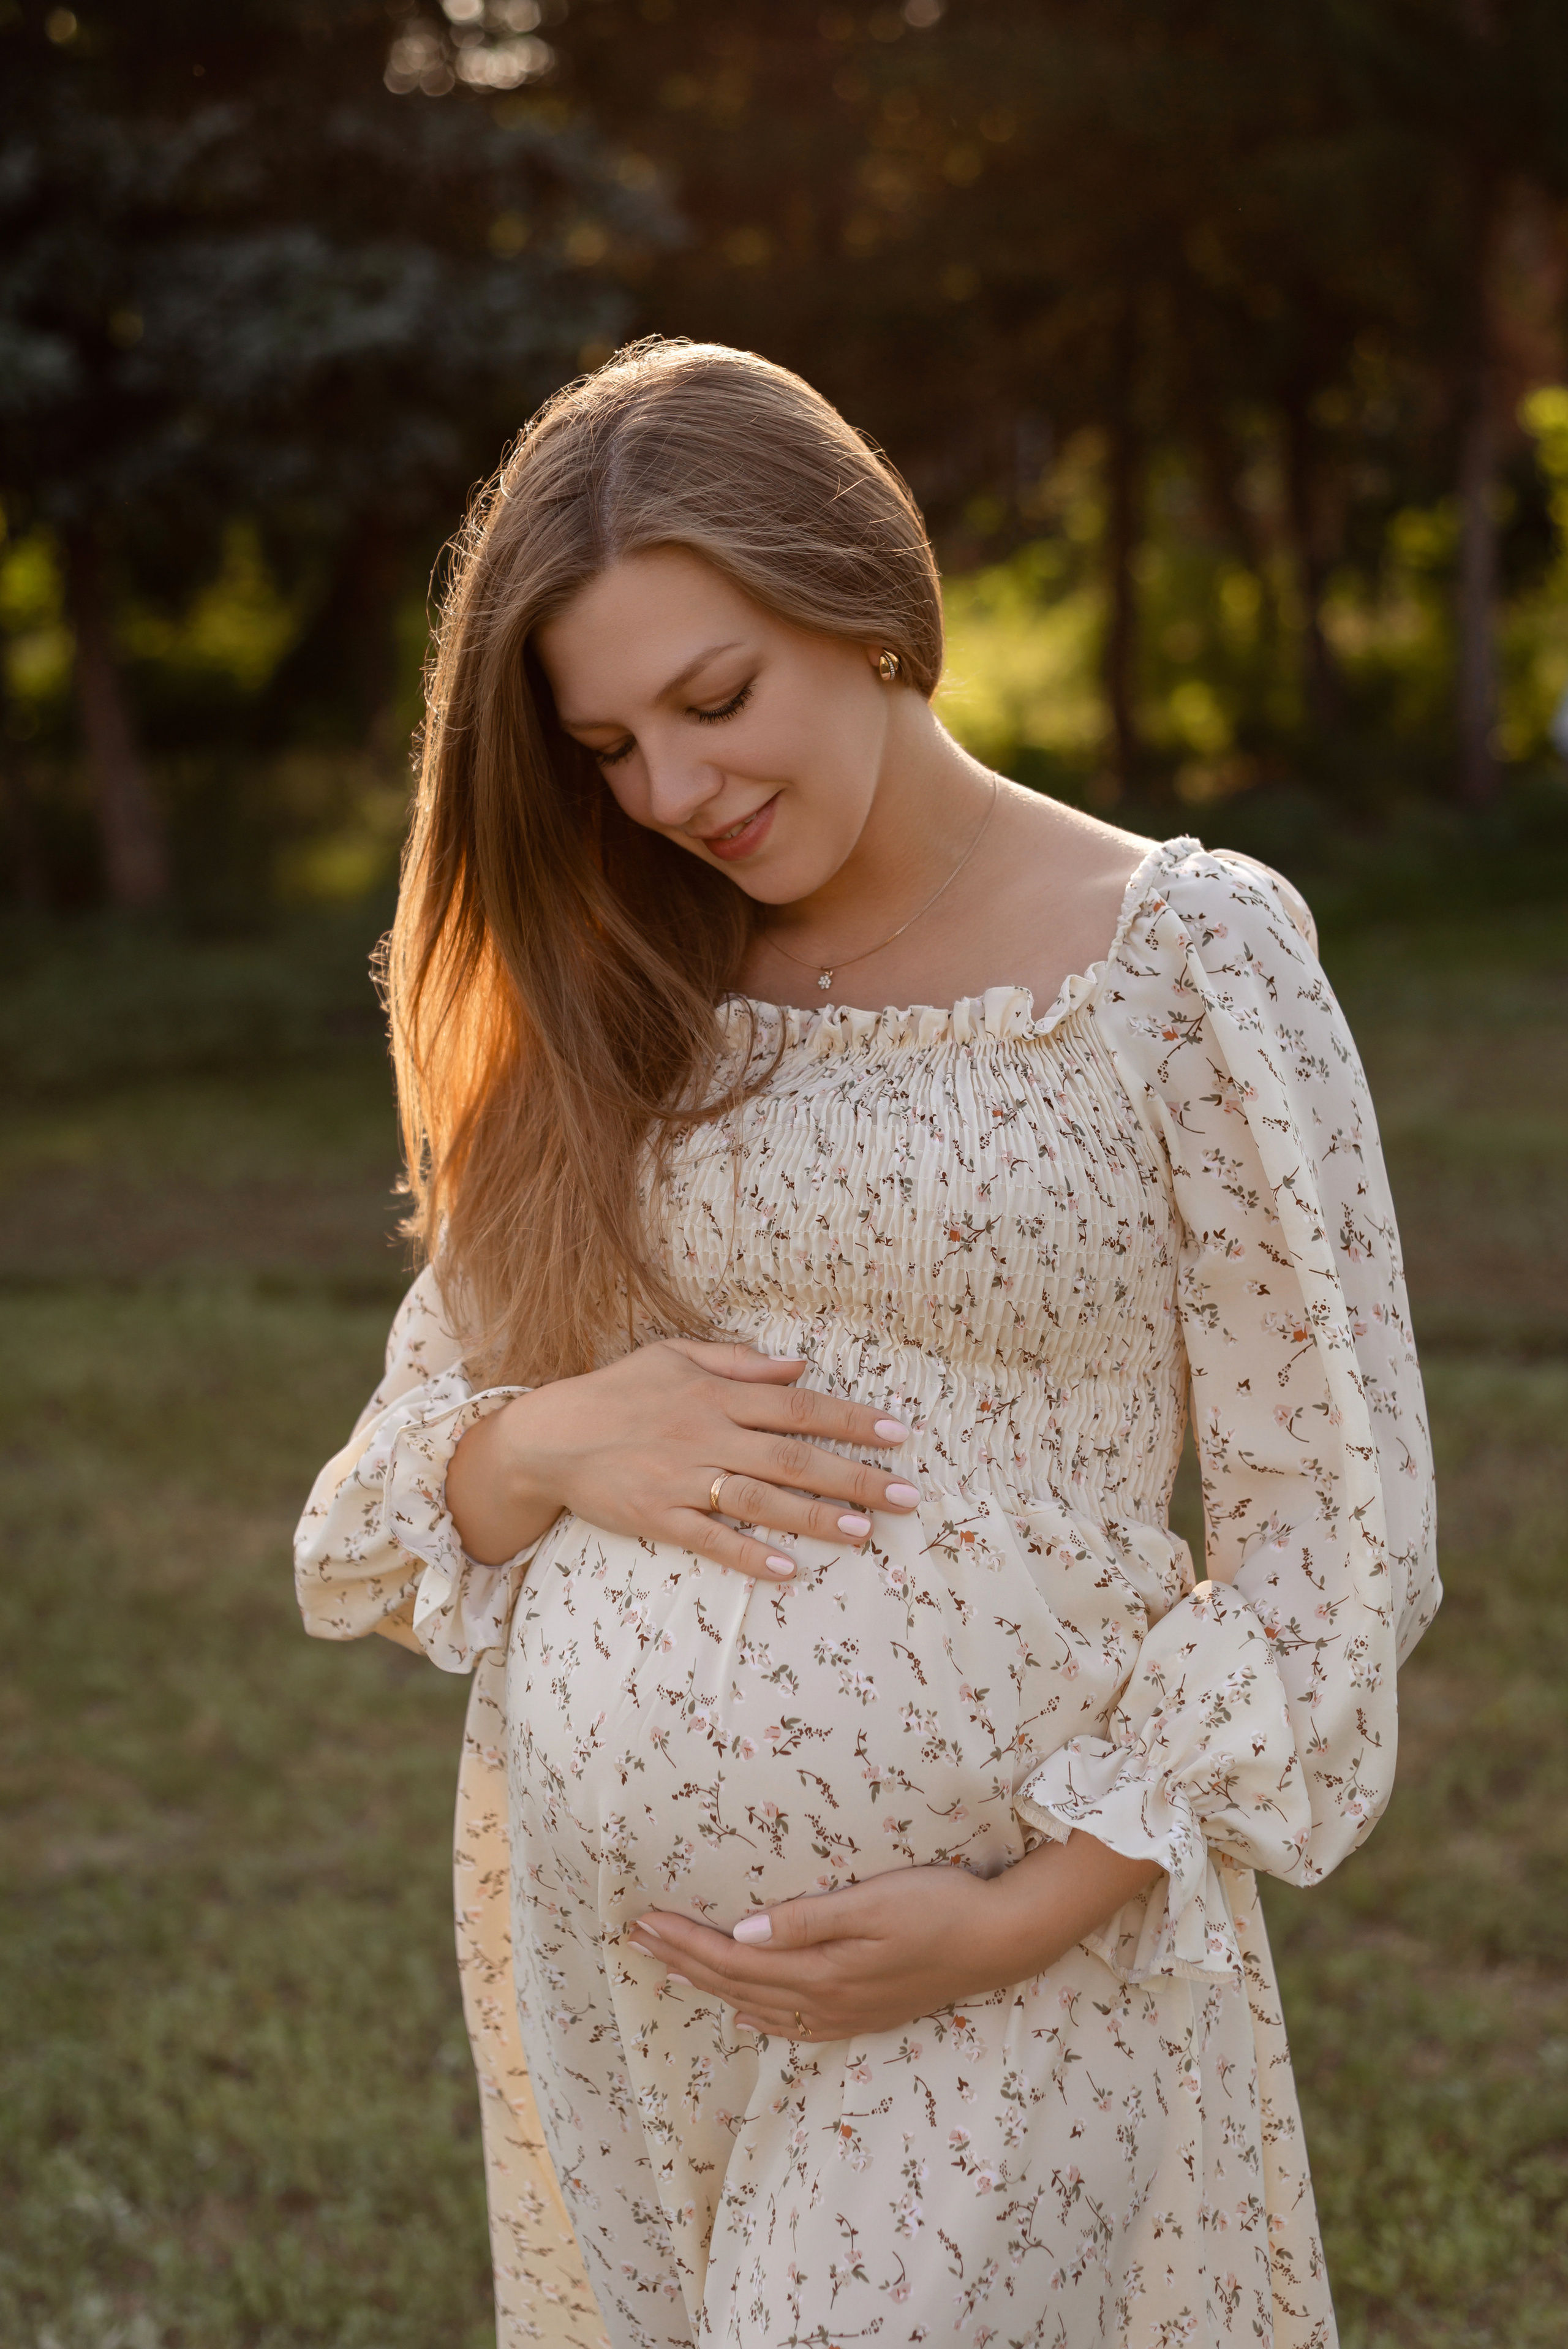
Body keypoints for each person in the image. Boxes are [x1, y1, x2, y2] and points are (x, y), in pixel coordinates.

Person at [295, 338, 1439, 2349]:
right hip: (623, 1957)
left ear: (866, 593)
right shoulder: (623, 987)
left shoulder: (1183, 959)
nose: (677, 790)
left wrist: (1024, 1906)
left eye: (714, 698)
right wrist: (560, 1441)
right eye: (611, 748)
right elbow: (402, 1488)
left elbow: (1330, 1526)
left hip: (1006, 1933)